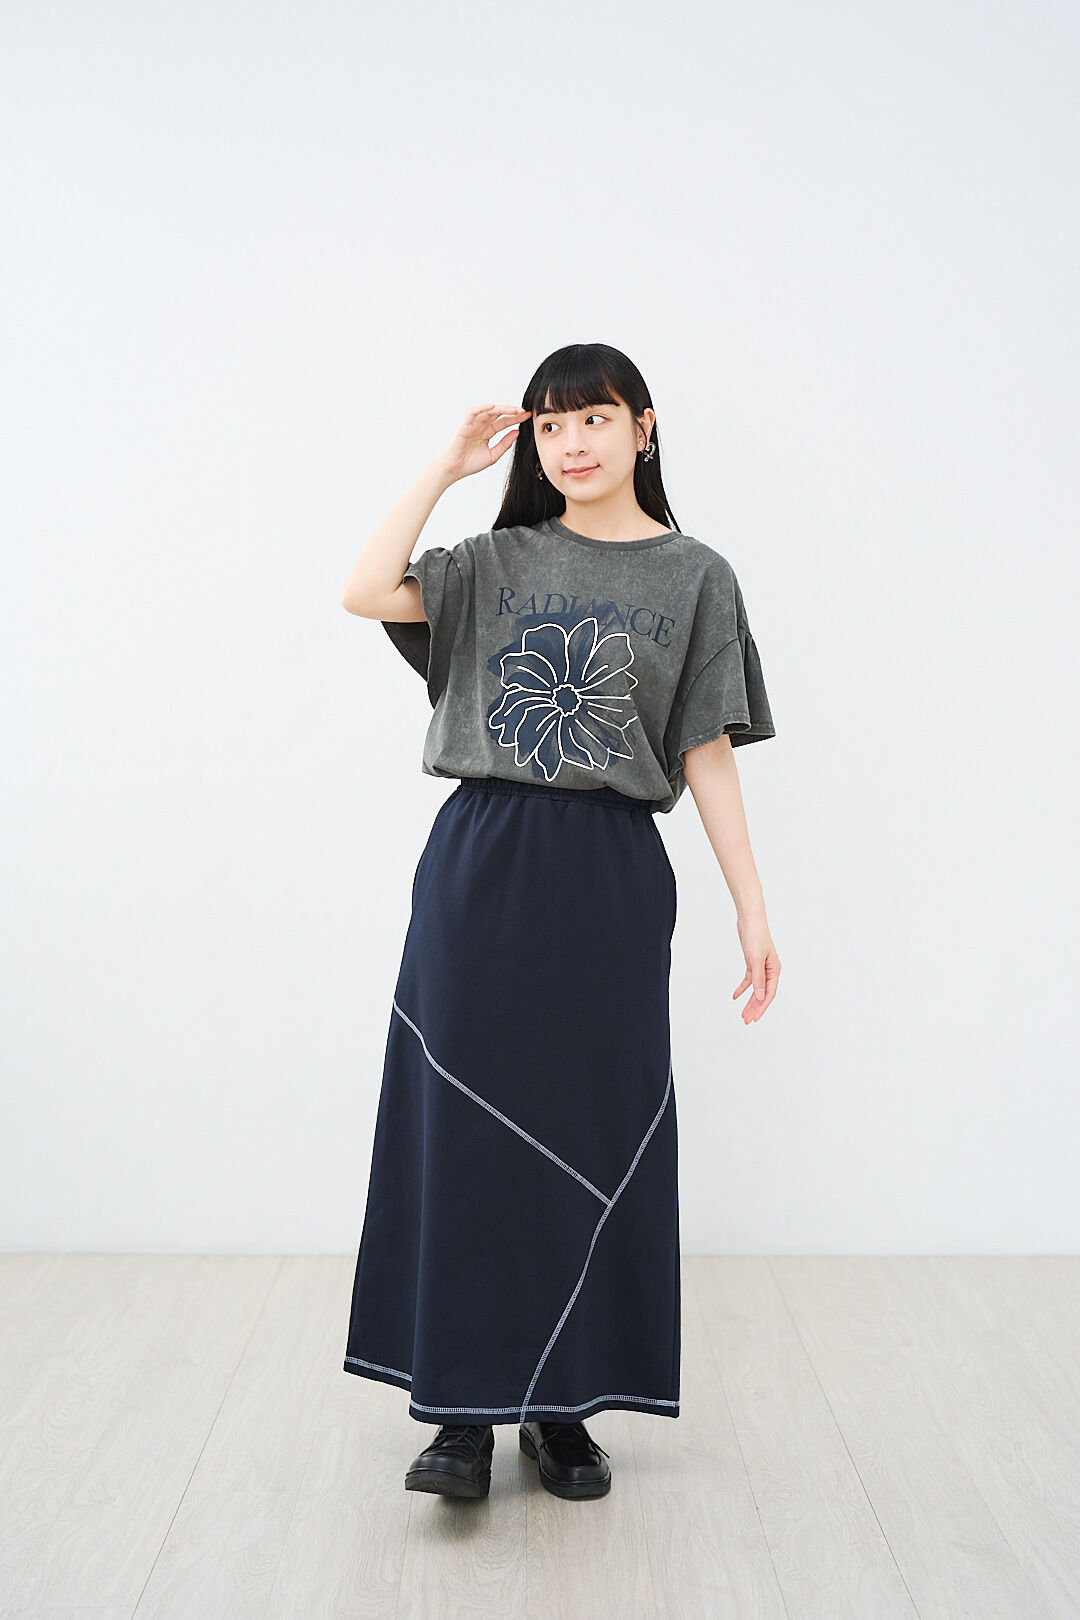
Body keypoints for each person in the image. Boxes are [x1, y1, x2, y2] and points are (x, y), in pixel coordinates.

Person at [339, 342, 780, 1503]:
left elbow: (705, 747)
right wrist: (445, 468)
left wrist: (752, 906)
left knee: (591, 1135)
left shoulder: (697, 578)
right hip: (481, 868)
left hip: (610, 878)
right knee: (467, 1140)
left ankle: (563, 1408)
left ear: (643, 427)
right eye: (548, 425)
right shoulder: (492, 560)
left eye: (593, 418)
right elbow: (365, 589)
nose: (571, 443)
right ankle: (459, 1417)